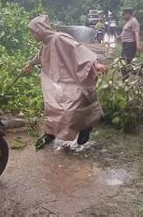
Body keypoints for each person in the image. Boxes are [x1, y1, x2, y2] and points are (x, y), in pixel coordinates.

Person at [23, 15, 107, 149]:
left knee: (70, 107)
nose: (33, 35)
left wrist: (95, 64)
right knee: (51, 106)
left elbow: (79, 49)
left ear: (40, 30)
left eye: (33, 32)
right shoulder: (46, 43)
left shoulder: (59, 38)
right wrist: (30, 64)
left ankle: (85, 127)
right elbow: (40, 56)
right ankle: (50, 133)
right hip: (56, 81)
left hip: (70, 79)